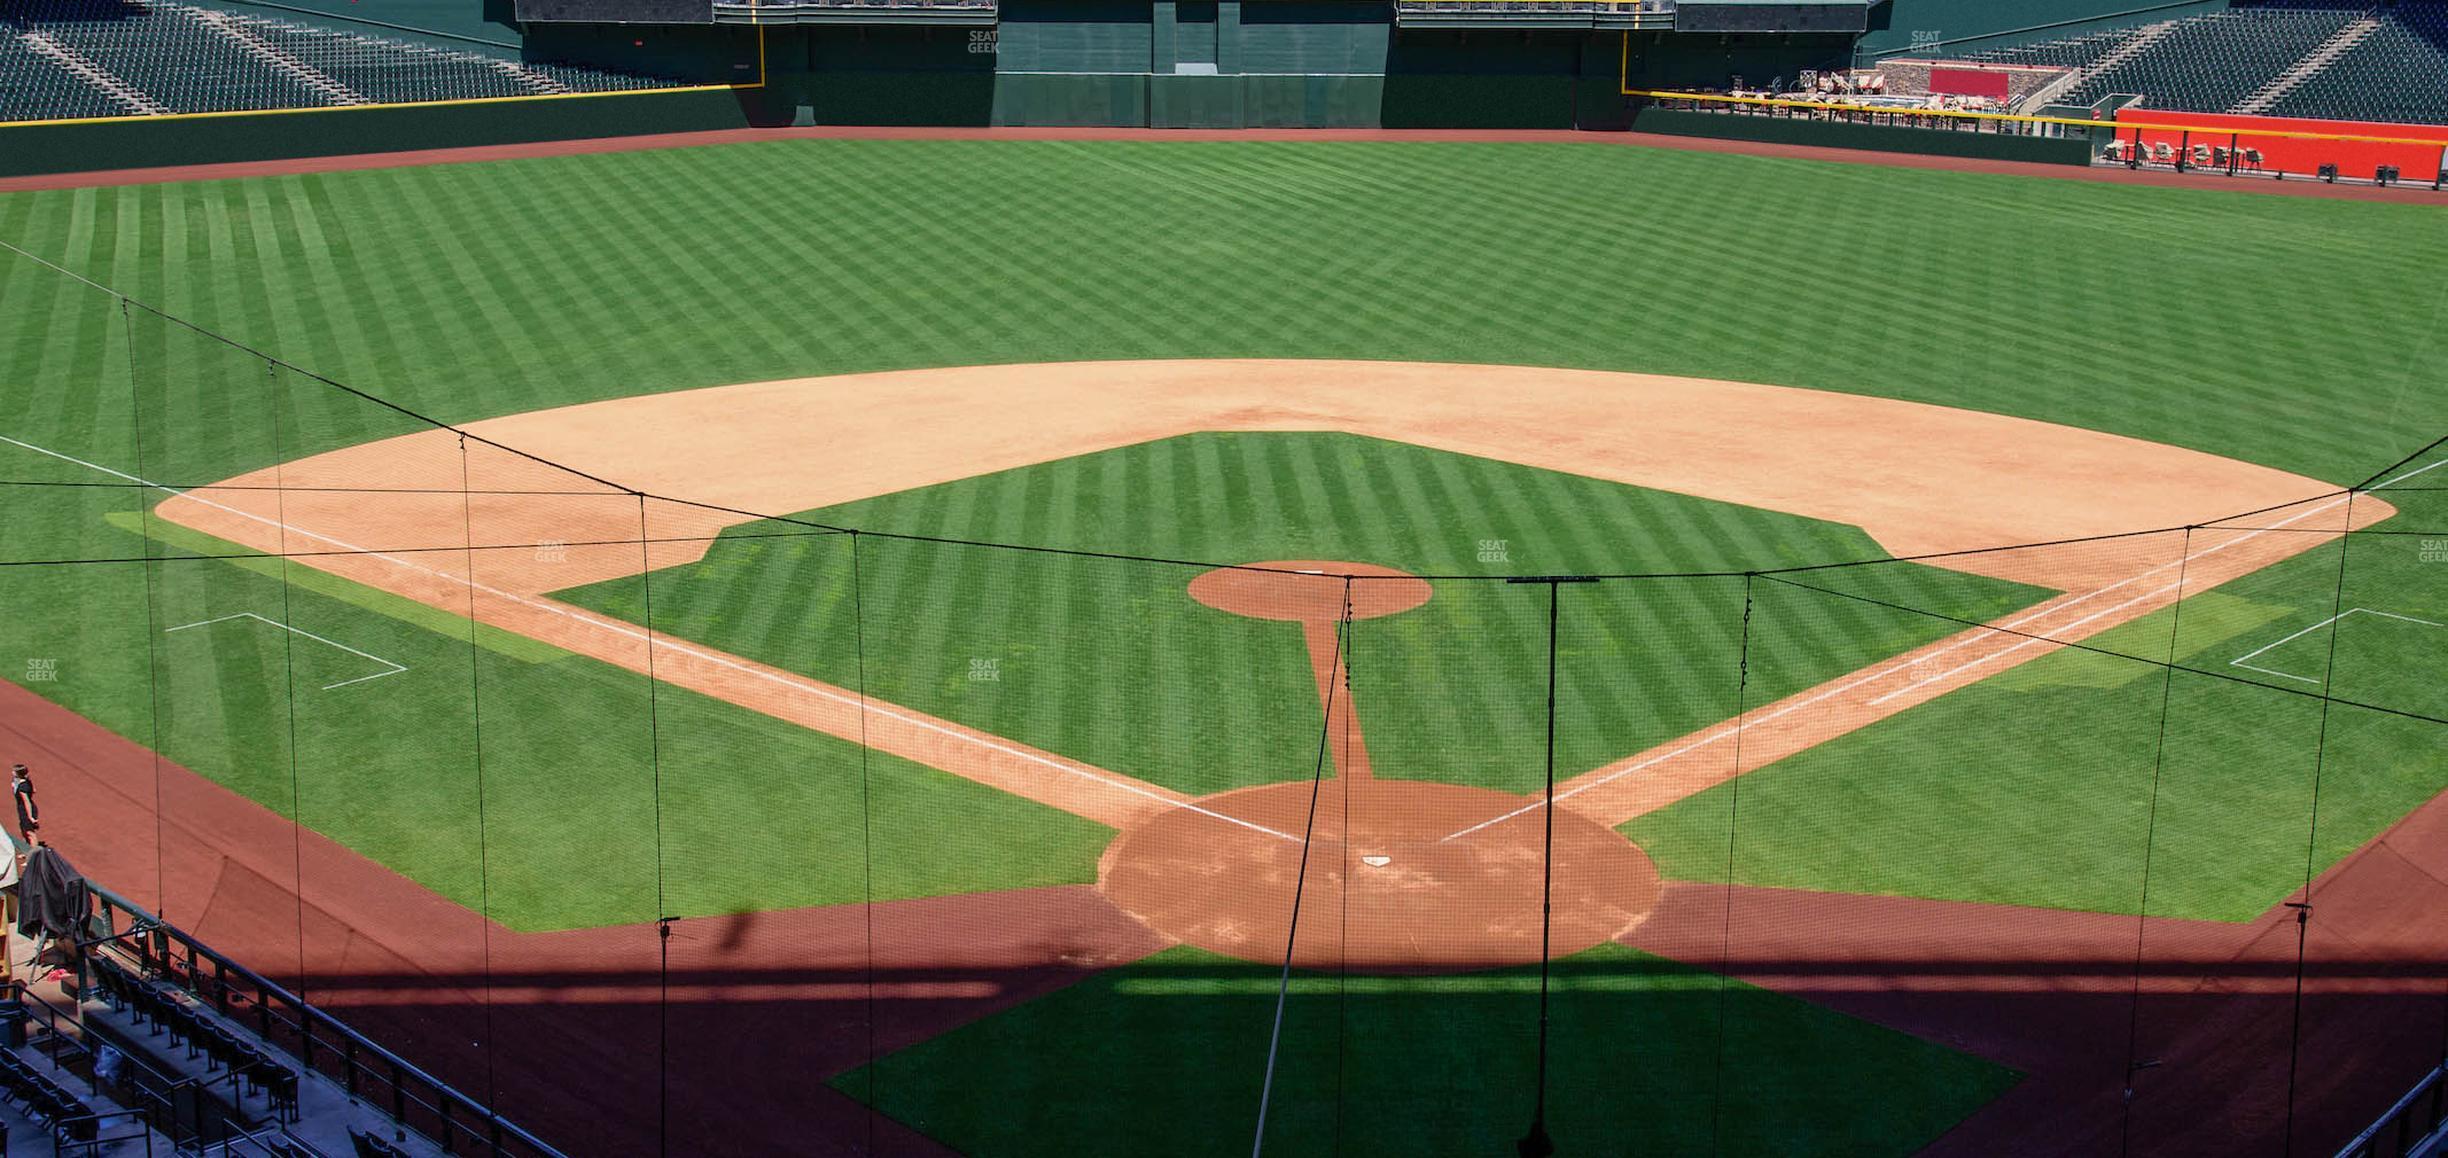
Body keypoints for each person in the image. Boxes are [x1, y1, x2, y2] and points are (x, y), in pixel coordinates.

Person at [10, 764, 35, 840]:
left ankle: (35, 851)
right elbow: (34, 790)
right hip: (22, 807)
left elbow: (27, 802)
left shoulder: (22, 787)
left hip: (26, 809)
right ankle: (29, 848)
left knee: (29, 833)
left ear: (18, 773)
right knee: (24, 829)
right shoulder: (20, 781)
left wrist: (30, 817)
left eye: (14, 771)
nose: (12, 772)